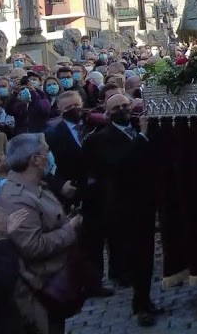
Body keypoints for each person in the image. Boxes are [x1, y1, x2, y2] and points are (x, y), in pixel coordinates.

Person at [84, 94, 161, 326]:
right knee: (134, 257)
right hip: (122, 206)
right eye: (116, 107)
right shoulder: (98, 140)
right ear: (107, 114)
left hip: (147, 201)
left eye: (126, 105)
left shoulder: (142, 127)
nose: (123, 109)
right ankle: (140, 305)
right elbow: (117, 165)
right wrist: (141, 137)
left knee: (146, 255)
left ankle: (145, 300)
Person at [0, 133, 85, 334]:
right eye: (46, 152)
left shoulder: (36, 185)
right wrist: (69, 229)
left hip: (55, 278)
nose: (49, 157)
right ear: (35, 160)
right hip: (42, 287)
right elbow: (32, 246)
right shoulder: (17, 198)